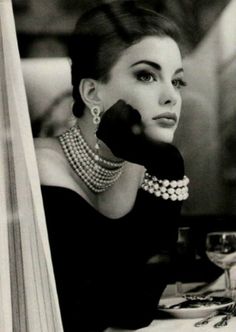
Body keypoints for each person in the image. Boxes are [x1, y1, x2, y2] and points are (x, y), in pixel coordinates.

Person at [34, 1, 189, 331]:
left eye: (177, 81)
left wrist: (161, 162)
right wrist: (168, 163)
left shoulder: (145, 165)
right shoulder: (39, 171)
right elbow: (124, 311)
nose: (171, 97)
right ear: (92, 92)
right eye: (147, 75)